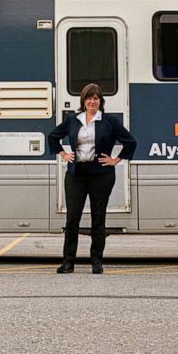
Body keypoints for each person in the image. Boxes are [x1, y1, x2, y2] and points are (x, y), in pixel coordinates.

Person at [47, 83, 137, 274]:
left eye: (95, 98)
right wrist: (63, 154)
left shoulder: (109, 121)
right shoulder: (73, 120)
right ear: (83, 101)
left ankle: (96, 261)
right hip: (76, 175)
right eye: (89, 98)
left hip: (101, 174)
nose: (92, 102)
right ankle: (68, 262)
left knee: (98, 218)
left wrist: (116, 160)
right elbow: (53, 137)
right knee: (73, 218)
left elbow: (130, 141)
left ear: (100, 101)